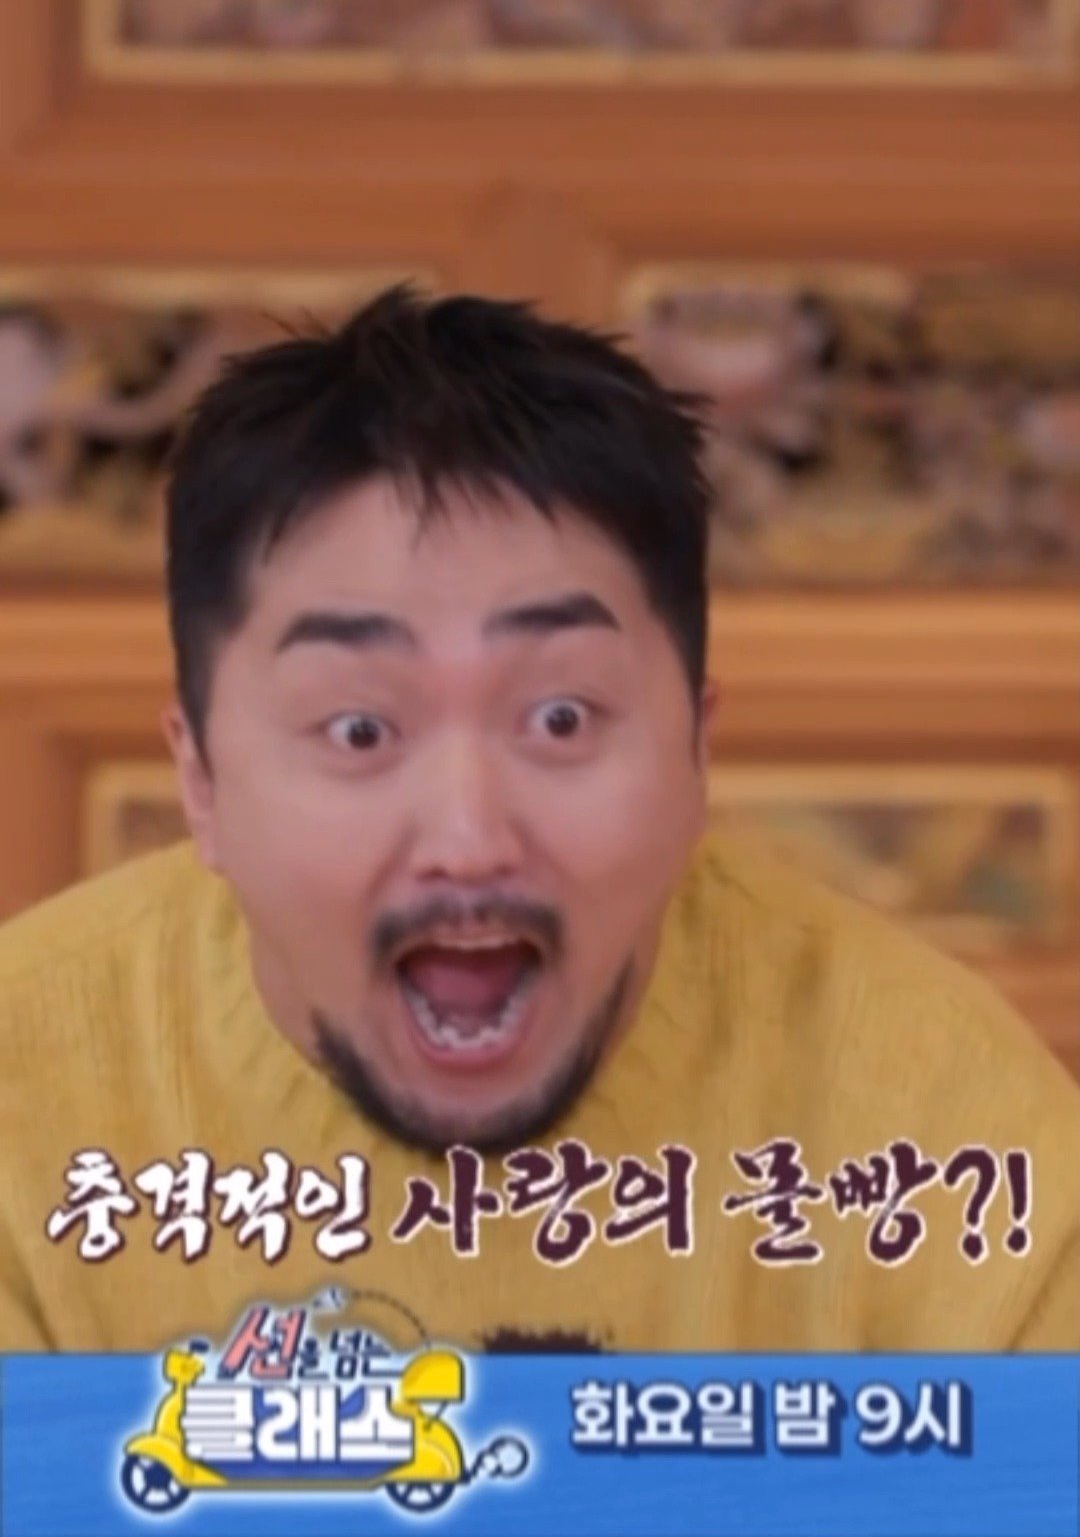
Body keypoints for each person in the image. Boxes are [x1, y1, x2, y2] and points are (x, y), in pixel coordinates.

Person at [0, 287, 1076, 1354]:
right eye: (360, 731)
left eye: (561, 718)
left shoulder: (953, 1136)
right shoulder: (26, 1098)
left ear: (696, 753)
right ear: (199, 779)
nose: (470, 841)